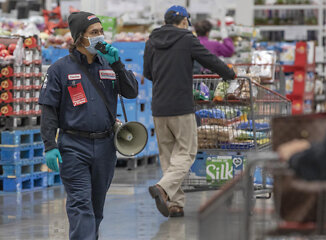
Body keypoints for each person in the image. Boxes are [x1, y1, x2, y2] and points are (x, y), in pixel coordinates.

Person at [39, 11, 138, 240]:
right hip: (74, 147)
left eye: (101, 32)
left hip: (105, 146)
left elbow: (131, 92)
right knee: (81, 205)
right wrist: (49, 144)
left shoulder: (109, 64)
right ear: (79, 37)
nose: (100, 37)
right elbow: (49, 109)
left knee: (96, 208)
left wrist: (119, 65)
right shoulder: (60, 69)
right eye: (94, 33)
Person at [143, 5, 236, 218]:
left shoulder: (151, 41)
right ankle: (163, 188)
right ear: (184, 21)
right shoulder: (187, 38)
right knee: (186, 152)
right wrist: (229, 74)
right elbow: (209, 60)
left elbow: (148, 73)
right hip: (181, 107)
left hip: (159, 107)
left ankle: (175, 204)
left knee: (169, 156)